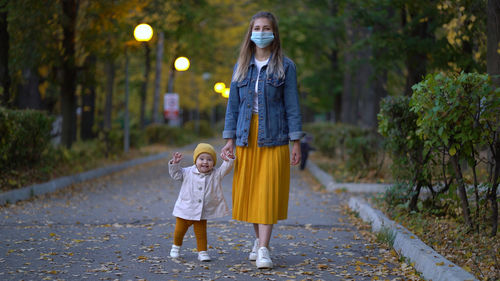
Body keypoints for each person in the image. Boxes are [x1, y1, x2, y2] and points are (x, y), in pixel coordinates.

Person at [221, 11, 303, 269]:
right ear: (251, 33)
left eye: (266, 27)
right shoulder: (241, 66)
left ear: (274, 32)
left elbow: (292, 106)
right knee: (253, 192)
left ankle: (265, 248)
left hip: (275, 137)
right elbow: (232, 106)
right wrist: (229, 139)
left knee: (267, 191)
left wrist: (296, 142)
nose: (261, 31)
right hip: (247, 136)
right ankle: (258, 240)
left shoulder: (286, 66)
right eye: (257, 27)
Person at [168, 143, 234, 261]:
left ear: (213, 162)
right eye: (201, 159)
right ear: (195, 160)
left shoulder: (216, 174)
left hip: (202, 211)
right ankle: (176, 247)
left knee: (201, 234)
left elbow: (226, 168)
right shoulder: (187, 172)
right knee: (179, 231)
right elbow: (175, 175)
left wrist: (228, 160)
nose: (205, 162)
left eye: (209, 160)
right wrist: (175, 164)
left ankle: (202, 252)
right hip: (185, 209)